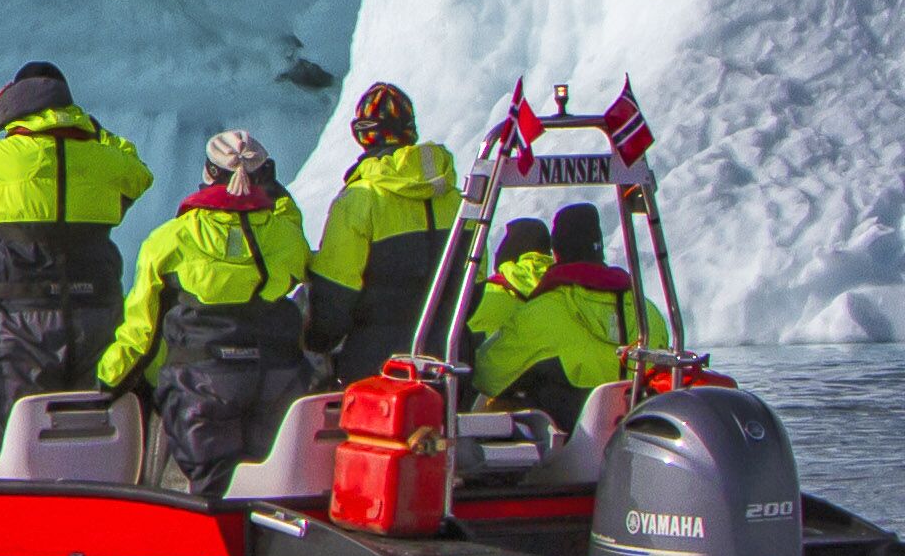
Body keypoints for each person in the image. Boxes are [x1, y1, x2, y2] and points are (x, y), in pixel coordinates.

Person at [0, 63, 154, 403]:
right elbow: (139, 172)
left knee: (22, 432)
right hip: (97, 313)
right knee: (93, 425)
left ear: (12, 104)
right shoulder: (105, 161)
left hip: (22, 321)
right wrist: (91, 129)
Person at [98, 130, 316, 485]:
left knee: (209, 489)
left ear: (208, 173)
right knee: (266, 487)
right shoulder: (287, 237)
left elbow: (141, 332)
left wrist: (107, 381)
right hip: (277, 382)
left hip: (199, 385)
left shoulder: (170, 239)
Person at [307, 82, 463, 376]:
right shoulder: (455, 198)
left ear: (364, 134)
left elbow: (336, 291)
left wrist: (318, 342)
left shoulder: (360, 199)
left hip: (377, 363)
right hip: (449, 357)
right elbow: (474, 281)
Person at [468, 203, 654, 429]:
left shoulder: (543, 310)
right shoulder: (647, 311)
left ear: (556, 253)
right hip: (635, 424)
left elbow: (487, 376)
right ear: (599, 247)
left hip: (570, 440)